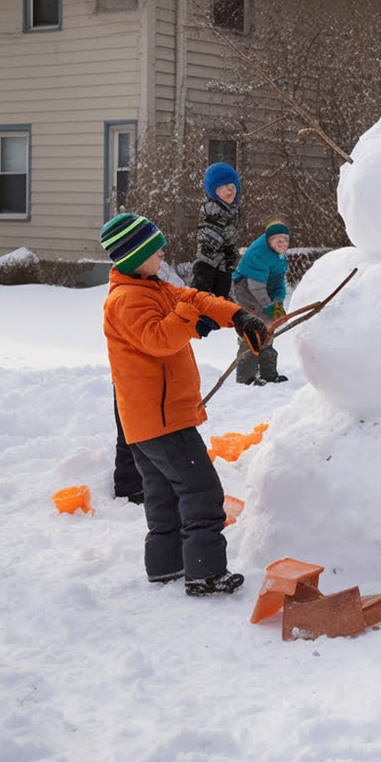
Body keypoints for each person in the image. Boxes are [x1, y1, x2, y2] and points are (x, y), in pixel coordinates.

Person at [99, 212, 269, 595]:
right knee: (203, 493)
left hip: (147, 423)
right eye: (154, 249)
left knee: (163, 498)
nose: (162, 253)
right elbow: (160, 339)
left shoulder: (150, 288)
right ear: (133, 255)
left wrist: (238, 316)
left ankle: (167, 566)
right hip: (164, 421)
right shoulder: (126, 300)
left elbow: (195, 298)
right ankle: (205, 573)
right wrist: (191, 319)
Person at [232, 220, 290, 385]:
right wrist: (270, 308)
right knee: (254, 331)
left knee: (268, 329)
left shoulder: (278, 257)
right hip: (247, 290)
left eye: (285, 239)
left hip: (263, 291)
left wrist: (277, 307)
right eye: (277, 239)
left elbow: (279, 284)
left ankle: (268, 373)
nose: (282, 243)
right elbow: (256, 288)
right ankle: (246, 377)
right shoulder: (259, 254)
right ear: (268, 239)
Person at [192, 161, 241, 336]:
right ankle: (197, 321)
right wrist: (227, 252)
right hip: (208, 262)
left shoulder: (231, 210)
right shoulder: (213, 211)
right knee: (204, 293)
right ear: (214, 191)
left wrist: (231, 253)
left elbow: (229, 238)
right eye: (224, 186)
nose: (231, 189)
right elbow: (213, 236)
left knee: (220, 293)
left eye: (233, 185)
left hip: (221, 263)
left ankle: (210, 319)